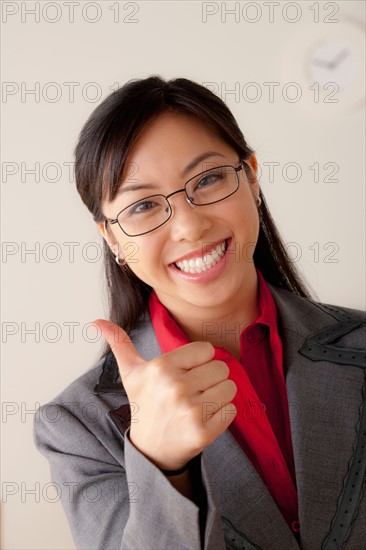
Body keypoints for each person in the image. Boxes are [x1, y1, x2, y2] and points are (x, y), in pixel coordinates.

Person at [33, 76, 366, 550]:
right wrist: (161, 465)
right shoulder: (78, 425)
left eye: (208, 179)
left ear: (251, 177)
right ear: (112, 238)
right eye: (144, 205)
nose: (190, 226)